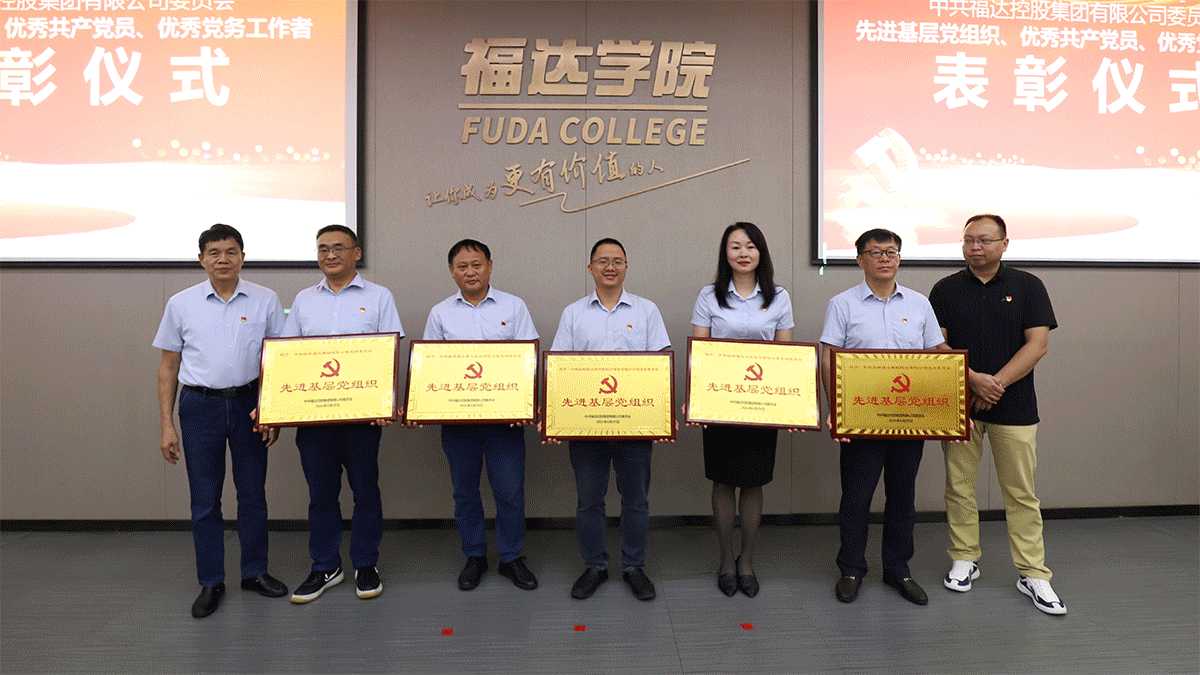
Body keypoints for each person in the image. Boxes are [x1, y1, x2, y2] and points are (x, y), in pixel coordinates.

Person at [929, 214, 1065, 615]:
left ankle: (1033, 573)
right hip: (959, 403)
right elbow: (936, 345)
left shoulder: (1028, 286)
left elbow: (1037, 344)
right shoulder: (945, 288)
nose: (975, 247)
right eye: (968, 240)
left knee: (1021, 492)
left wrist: (996, 384)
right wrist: (973, 380)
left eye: (984, 240)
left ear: (1005, 243)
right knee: (959, 486)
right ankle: (964, 558)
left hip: (1016, 404)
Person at [154, 223, 288, 618]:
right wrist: (166, 425)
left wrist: (273, 410)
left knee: (253, 495)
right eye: (214, 253)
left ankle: (255, 572)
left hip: (250, 405)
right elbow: (167, 367)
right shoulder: (181, 304)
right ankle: (211, 581)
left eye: (231, 252)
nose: (223, 260)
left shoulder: (265, 300)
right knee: (204, 500)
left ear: (243, 257)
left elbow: (279, 361)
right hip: (200, 407)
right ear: (201, 259)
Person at [819, 228, 949, 606]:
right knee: (857, 497)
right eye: (876, 252)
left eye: (892, 252)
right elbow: (829, 358)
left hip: (911, 418)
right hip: (861, 417)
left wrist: (959, 395)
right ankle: (851, 569)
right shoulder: (842, 304)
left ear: (899, 258)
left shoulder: (919, 304)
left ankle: (898, 569)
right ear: (860, 259)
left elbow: (937, 355)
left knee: (902, 497)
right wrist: (835, 410)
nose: (885, 258)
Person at [282, 225, 403, 604]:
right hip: (314, 418)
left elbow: (389, 354)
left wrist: (386, 402)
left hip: (362, 418)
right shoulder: (304, 300)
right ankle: (325, 566)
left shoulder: (379, 296)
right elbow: (287, 355)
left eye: (338, 247)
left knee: (365, 492)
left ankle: (366, 564)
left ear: (356, 253)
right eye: (323, 249)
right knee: (321, 496)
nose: (330, 255)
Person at [549, 238, 671, 601]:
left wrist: (663, 415)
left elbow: (661, 362)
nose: (610, 267)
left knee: (636, 499)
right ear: (590, 268)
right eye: (602, 261)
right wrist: (555, 417)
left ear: (626, 268)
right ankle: (595, 566)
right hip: (586, 425)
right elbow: (559, 366)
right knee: (589, 500)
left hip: (636, 425)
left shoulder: (647, 310)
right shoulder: (573, 313)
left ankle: (634, 566)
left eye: (617, 260)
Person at [422, 239, 539, 592]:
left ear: (489, 266)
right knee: (465, 492)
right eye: (462, 266)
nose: (470, 272)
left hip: (504, 421)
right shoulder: (440, 313)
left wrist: (527, 404)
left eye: (476, 265)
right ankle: (474, 555)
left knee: (510, 492)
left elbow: (528, 361)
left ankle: (511, 556)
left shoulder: (514, 306)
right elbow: (430, 366)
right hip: (458, 422)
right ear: (451, 272)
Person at [689, 222, 795, 598]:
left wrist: (792, 406)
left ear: (761, 252)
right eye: (735, 247)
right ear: (726, 254)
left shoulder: (779, 297)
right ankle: (725, 559)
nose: (743, 253)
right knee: (722, 480)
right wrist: (696, 399)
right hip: (720, 402)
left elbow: (785, 356)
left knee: (753, 481)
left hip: (762, 405)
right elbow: (700, 353)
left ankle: (746, 560)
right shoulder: (709, 296)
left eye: (750, 246)